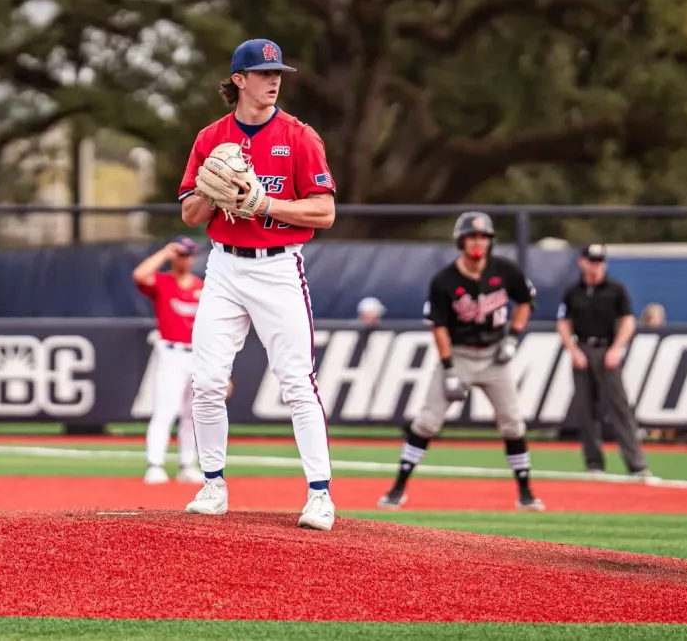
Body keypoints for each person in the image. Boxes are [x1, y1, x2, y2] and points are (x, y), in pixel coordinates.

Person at [175, 39, 337, 531]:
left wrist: (265, 205)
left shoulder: (299, 136)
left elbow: (325, 211)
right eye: (263, 72)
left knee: (296, 382)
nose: (274, 80)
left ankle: (320, 495)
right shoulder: (211, 137)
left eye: (278, 72)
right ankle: (213, 484)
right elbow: (189, 215)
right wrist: (212, 186)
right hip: (224, 266)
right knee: (204, 381)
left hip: (278, 266)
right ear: (239, 80)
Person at [377, 212, 545, 511]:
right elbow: (438, 326)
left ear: (490, 241)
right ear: (461, 241)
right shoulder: (444, 280)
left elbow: (525, 300)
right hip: (460, 354)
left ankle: (526, 493)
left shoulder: (505, 270)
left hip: (495, 356)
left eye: (483, 237)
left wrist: (513, 337)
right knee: (427, 421)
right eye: (472, 237)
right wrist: (448, 367)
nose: (478, 242)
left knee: (513, 423)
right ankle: (397, 488)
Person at [557, 244, 654, 479]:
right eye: (591, 261)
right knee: (585, 409)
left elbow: (628, 321)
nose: (595, 266)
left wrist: (616, 348)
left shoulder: (615, 289)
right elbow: (563, 322)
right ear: (582, 262)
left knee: (619, 408)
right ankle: (594, 463)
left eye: (599, 261)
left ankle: (636, 464)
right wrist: (572, 349)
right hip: (582, 349)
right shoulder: (573, 291)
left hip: (607, 349)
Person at [131, 237, 205, 485]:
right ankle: (155, 464)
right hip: (171, 352)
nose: (184, 258)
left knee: (192, 414)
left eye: (188, 254)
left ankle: (187, 464)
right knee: (165, 410)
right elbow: (140, 275)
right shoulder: (163, 282)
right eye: (181, 254)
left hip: (197, 353)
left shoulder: (202, 287)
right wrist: (164, 252)